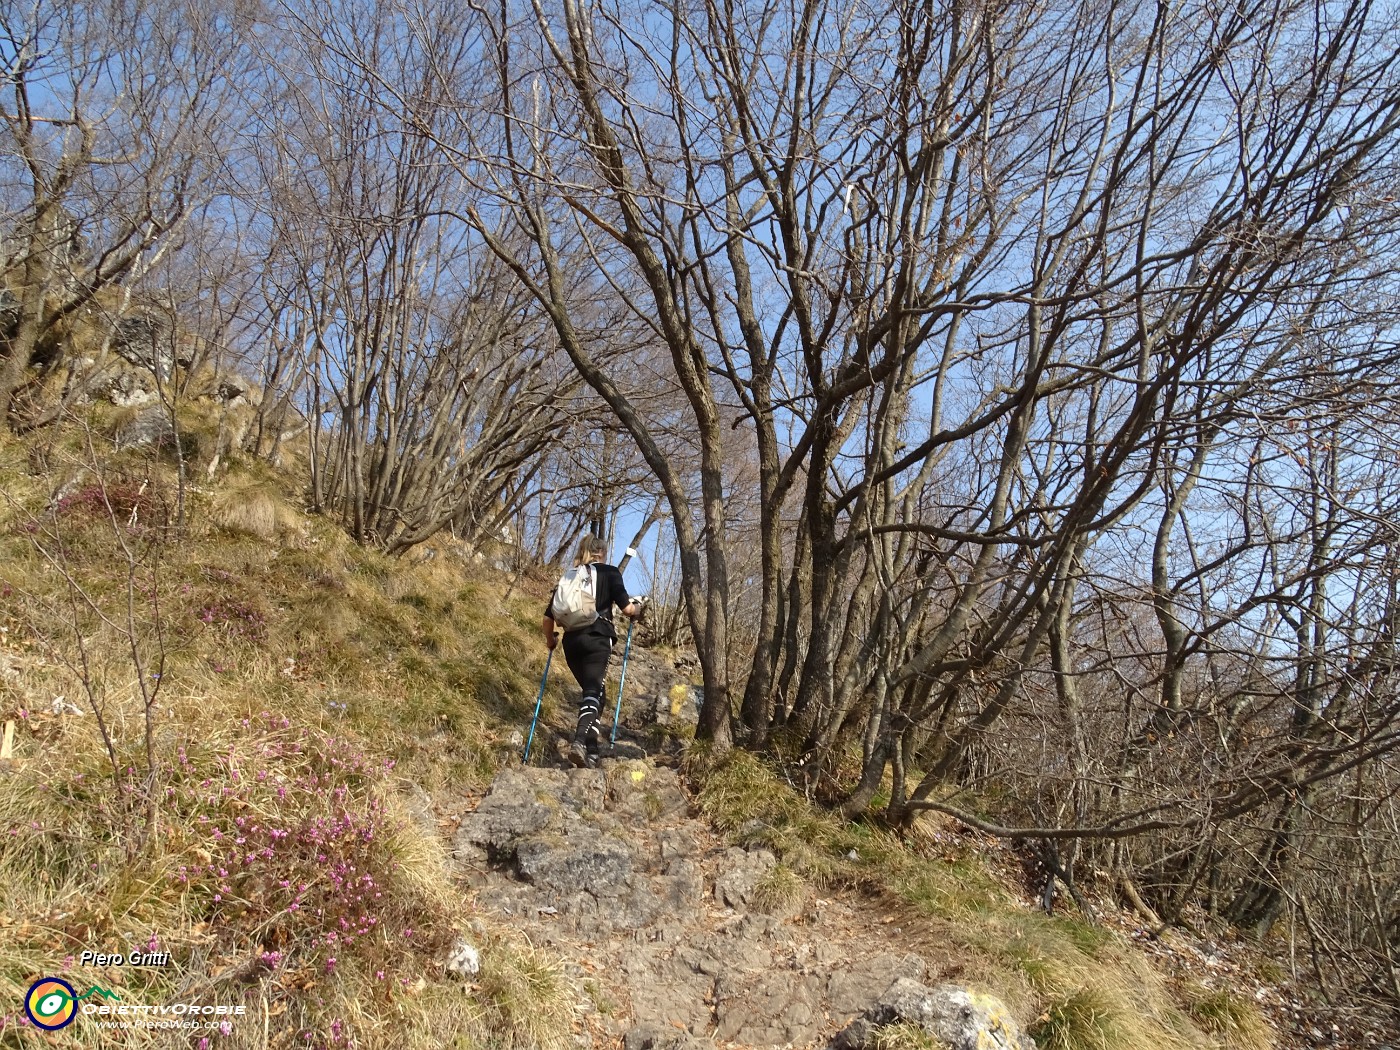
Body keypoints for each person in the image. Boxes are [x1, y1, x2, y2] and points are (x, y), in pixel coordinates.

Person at [542, 534, 645, 768]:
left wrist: (550, 641)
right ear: (603, 553)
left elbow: (548, 618)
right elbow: (627, 609)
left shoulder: (570, 577)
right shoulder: (610, 572)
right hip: (597, 637)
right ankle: (578, 742)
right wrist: (638, 609)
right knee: (592, 690)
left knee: (598, 695)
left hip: (571, 642)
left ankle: (592, 751)